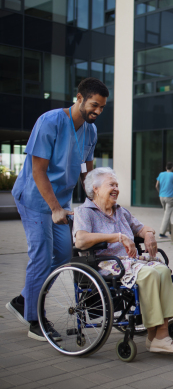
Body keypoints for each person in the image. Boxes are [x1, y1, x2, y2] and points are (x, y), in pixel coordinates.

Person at [6, 78, 108, 341]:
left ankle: (24, 300)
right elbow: (38, 170)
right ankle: (34, 320)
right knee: (41, 257)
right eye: (94, 105)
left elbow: (86, 170)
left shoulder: (90, 131)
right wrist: (54, 208)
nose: (97, 111)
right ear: (79, 98)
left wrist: (94, 201)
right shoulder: (50, 121)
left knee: (63, 256)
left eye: (102, 107)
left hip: (60, 202)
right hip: (35, 197)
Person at [73, 167, 173, 354]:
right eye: (111, 184)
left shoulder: (120, 211)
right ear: (96, 188)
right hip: (106, 264)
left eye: (117, 185)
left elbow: (142, 228)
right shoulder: (85, 211)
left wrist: (149, 235)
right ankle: (156, 336)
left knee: (163, 270)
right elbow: (81, 240)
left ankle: (159, 336)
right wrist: (116, 237)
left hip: (129, 262)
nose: (116, 188)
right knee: (150, 274)